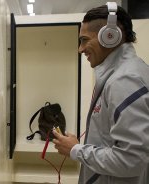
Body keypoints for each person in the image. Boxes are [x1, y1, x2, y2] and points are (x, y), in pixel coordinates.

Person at [52, 3, 149, 184]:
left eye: (84, 40)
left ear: (109, 36)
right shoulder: (123, 74)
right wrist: (78, 145)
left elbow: (132, 160)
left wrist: (76, 150)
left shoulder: (125, 80)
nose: (80, 49)